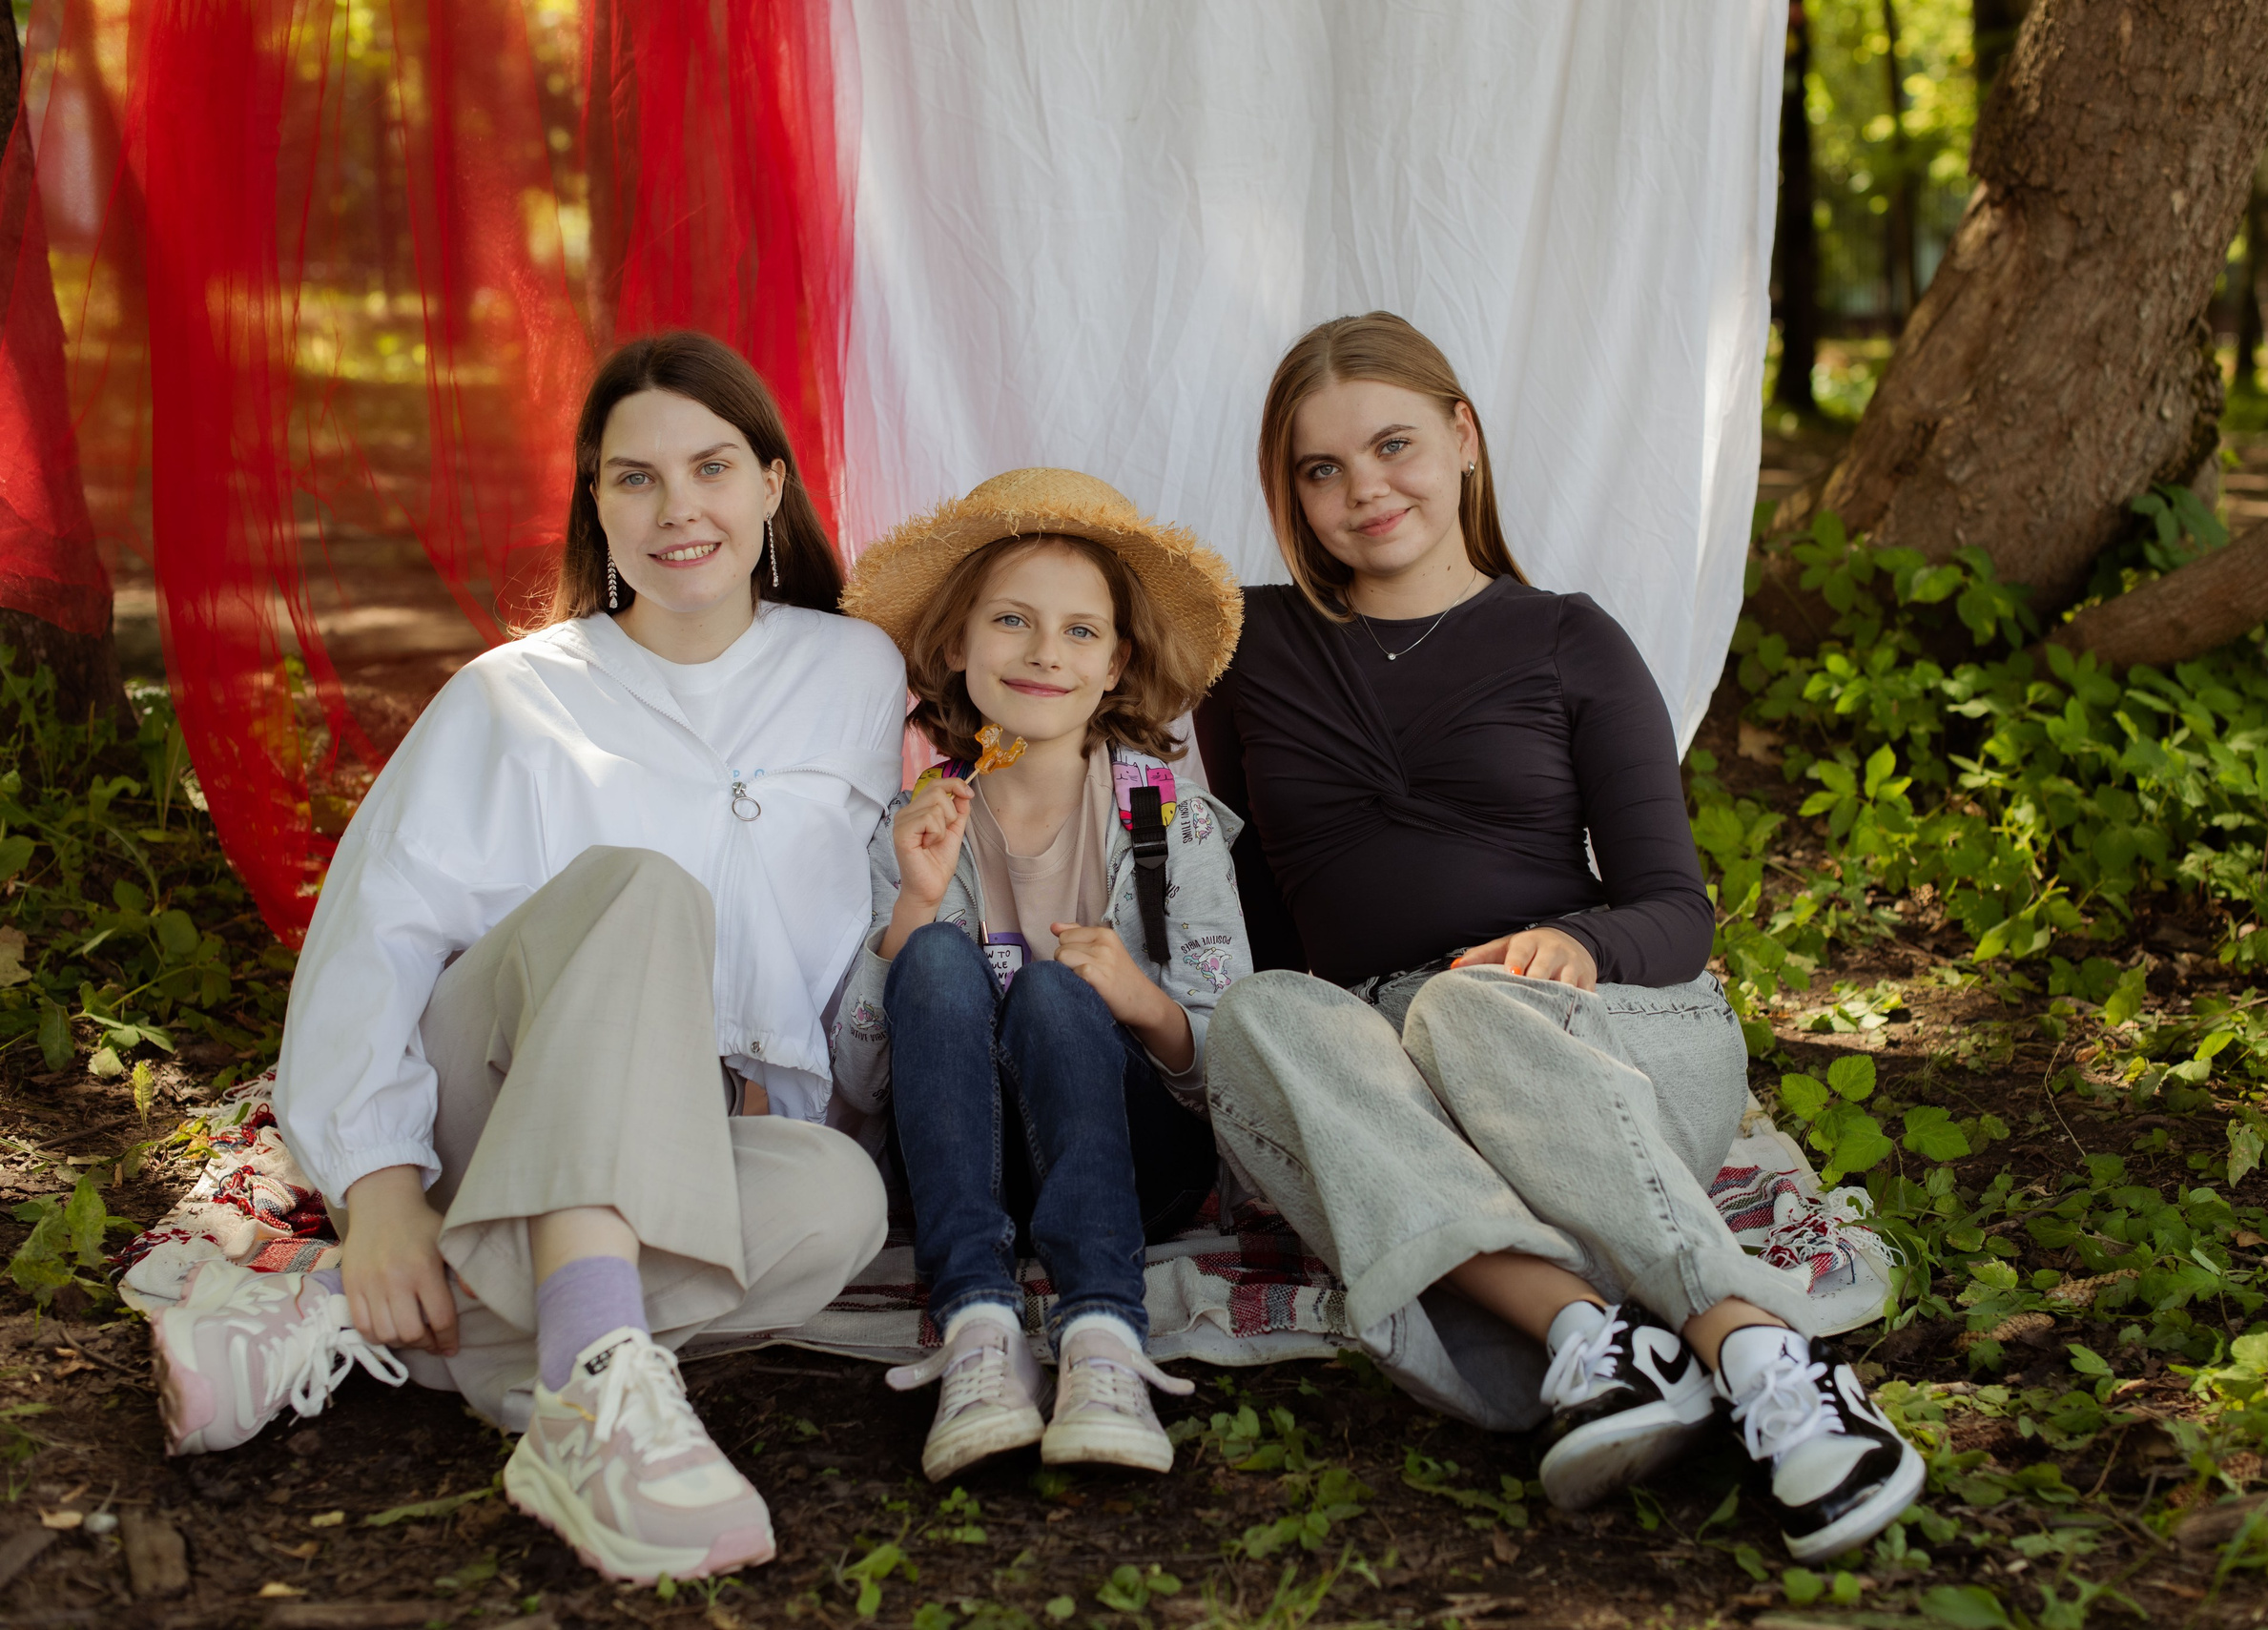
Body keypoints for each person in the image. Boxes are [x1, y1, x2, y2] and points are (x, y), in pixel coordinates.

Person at [144, 332, 904, 1584]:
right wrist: (380, 1178)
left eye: (711, 467)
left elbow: (833, 899)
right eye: (634, 479)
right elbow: (374, 927)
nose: (678, 510)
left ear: (773, 485)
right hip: (493, 1082)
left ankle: (336, 1318)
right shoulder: (515, 693)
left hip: (686, 1116)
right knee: (642, 892)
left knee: (838, 1201)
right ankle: (602, 1394)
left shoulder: (855, 671)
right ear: (594, 505)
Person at [1195, 313, 1923, 1563]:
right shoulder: (1251, 651)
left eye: (1394, 444)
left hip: (1596, 1036)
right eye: (1322, 469)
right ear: (1291, 493)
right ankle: (1598, 1338)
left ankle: (1764, 1355)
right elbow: (1261, 900)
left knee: (1467, 1005)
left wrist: (1576, 948)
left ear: (1463, 437)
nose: (1366, 488)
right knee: (1255, 1015)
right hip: (1402, 1069)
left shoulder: (1566, 637)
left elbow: (1676, 909)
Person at [833, 469, 1247, 1481]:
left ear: (1116, 664)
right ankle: (975, 1324)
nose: (1042, 653)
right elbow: (858, 1084)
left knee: (1062, 990)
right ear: (956, 647)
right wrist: (914, 907)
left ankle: (1104, 1333)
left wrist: (1144, 1003)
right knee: (934, 953)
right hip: (957, 1155)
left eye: (1078, 631)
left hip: (1130, 1154)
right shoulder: (919, 821)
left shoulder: (1169, 820)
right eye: (1011, 621)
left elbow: (1234, 1065)